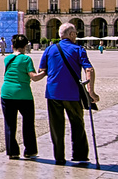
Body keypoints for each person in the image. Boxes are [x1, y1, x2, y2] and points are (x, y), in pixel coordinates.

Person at [41, 23, 99, 165]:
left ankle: (59, 157)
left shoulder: (49, 49)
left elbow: (43, 69)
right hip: (72, 93)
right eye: (76, 34)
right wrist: (91, 92)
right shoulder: (78, 49)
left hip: (53, 93)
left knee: (56, 126)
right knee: (77, 123)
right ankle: (79, 155)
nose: (76, 36)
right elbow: (89, 70)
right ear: (71, 34)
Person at [1, 33, 42, 160]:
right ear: (25, 46)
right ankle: (30, 151)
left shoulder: (7, 59)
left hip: (7, 93)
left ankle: (12, 152)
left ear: (12, 45)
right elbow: (34, 77)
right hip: (24, 95)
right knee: (28, 123)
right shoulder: (26, 59)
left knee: (10, 124)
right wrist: (45, 72)